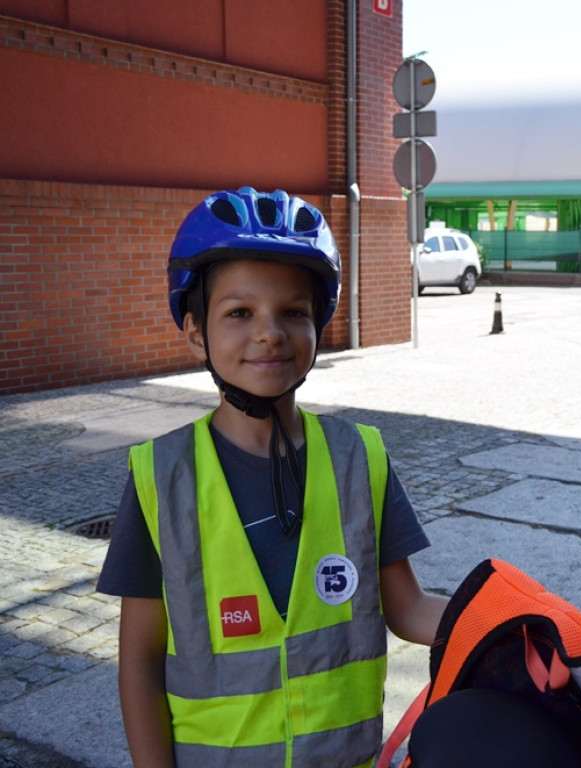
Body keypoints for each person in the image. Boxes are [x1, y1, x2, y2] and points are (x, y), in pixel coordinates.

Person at [97, 187, 448, 767]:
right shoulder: (161, 476)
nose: (270, 333)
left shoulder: (360, 458)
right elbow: (140, 658)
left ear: (318, 325)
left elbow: (407, 607)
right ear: (194, 331)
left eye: (293, 312)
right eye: (239, 313)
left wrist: (519, 623)